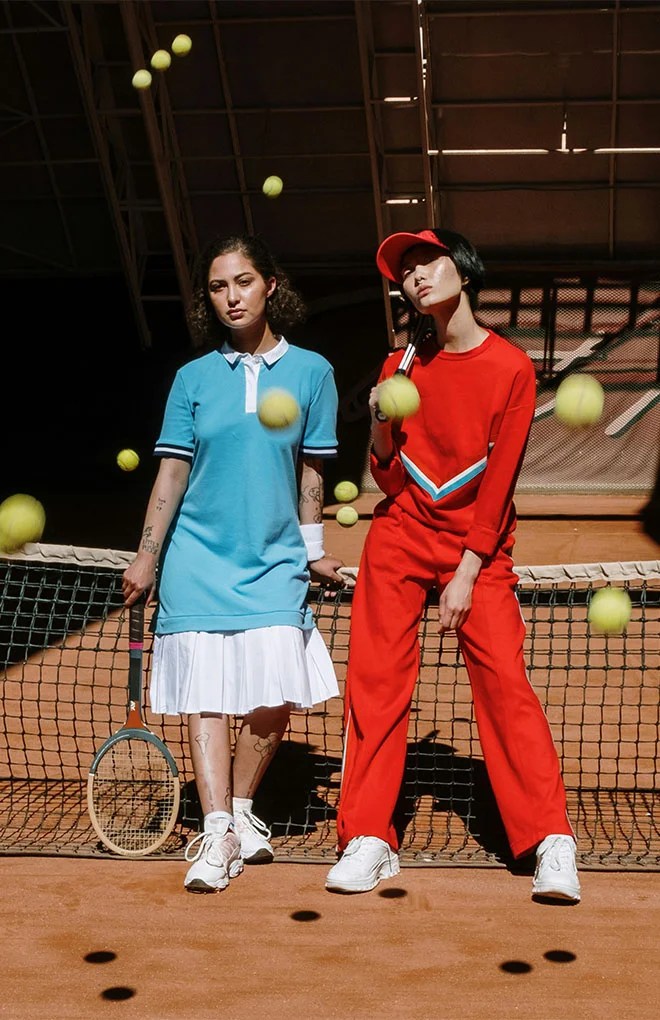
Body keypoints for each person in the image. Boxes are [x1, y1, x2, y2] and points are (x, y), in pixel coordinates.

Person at [325, 227, 580, 904]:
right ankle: (369, 838)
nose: (416, 276)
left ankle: (550, 840)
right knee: (375, 682)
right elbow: (389, 481)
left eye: (427, 261)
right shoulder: (397, 368)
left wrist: (467, 572)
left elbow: (497, 486)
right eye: (405, 272)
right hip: (401, 537)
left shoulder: (511, 369)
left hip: (479, 546)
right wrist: (378, 424)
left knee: (503, 681)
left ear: (463, 270)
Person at [122, 233, 344, 893]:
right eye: (219, 287)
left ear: (269, 285)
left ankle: (242, 808)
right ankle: (218, 827)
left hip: (275, 558)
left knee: (274, 694)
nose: (231, 297)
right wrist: (146, 556)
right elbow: (171, 472)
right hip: (197, 558)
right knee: (210, 694)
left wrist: (312, 553)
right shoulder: (191, 380)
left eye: (242, 282)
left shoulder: (313, 373)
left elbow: (312, 472)